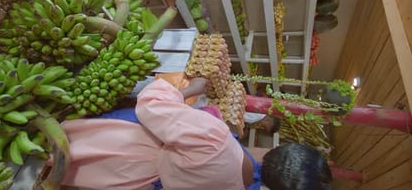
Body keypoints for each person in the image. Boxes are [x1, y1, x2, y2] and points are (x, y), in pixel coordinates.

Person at [59, 77, 332, 190]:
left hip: (125, 143)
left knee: (59, 144)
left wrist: (191, 90)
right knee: (59, 170)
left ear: (276, 149)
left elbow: (151, 105)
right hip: (128, 183)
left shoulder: (218, 139)